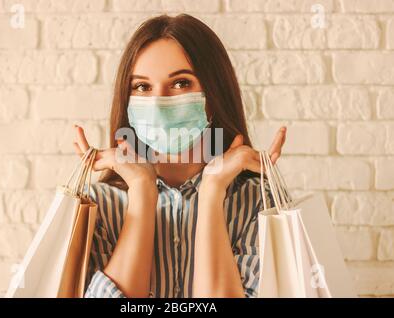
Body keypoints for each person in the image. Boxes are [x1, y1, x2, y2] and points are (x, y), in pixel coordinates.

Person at [73, 14, 286, 298]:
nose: (159, 102)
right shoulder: (96, 207)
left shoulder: (258, 203)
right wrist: (141, 190)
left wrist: (212, 191)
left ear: (214, 95)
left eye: (181, 83)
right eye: (142, 87)